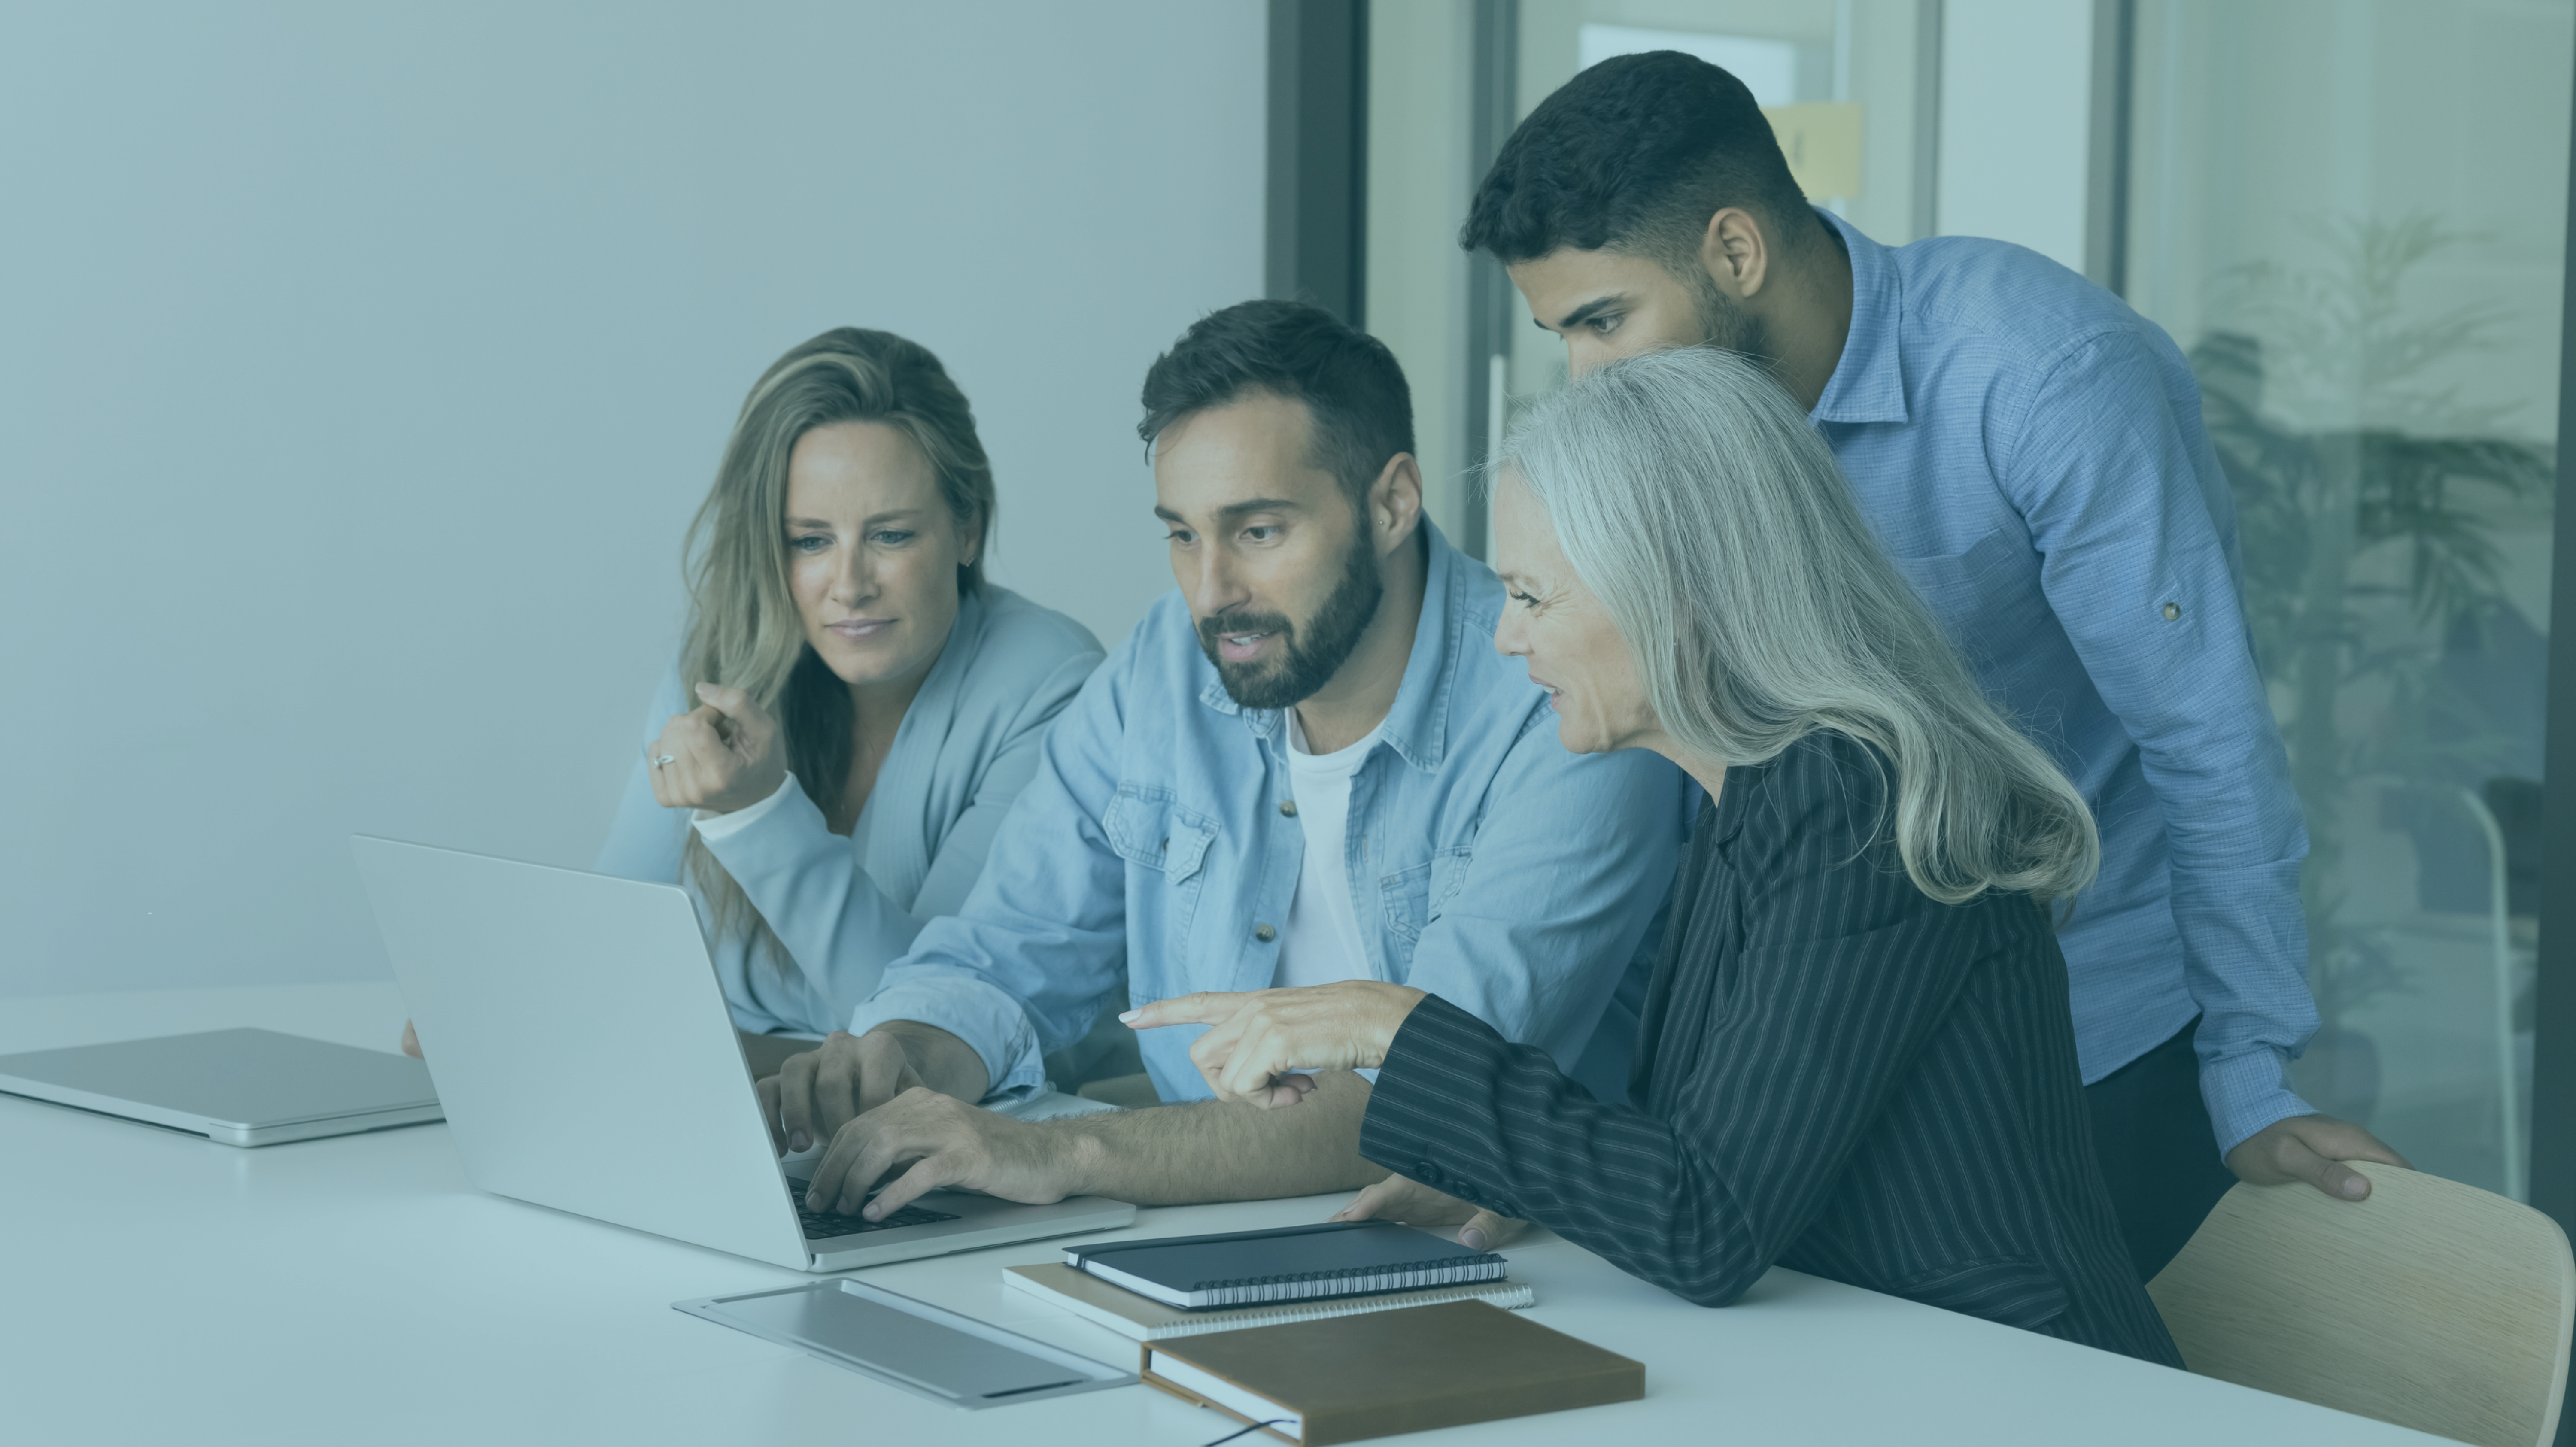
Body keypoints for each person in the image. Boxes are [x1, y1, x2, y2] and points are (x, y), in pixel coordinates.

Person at [1460, 50, 2405, 1278]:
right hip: (1816, 1044)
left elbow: (2204, 737)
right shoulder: (1675, 460)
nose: (1587, 377)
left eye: (1604, 321)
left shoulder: (2040, 375)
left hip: (2089, 1031)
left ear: (1735, 254)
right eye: (1560, 338)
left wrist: (2251, 1075)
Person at [1130, 346, 2183, 1366]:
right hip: (1871, 1364)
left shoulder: (1853, 800)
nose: (1505, 637)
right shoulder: (1753, 795)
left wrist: (1393, 1022)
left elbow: (1706, 1222)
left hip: (2026, 1390)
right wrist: (1519, 1172)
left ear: (1678, 591)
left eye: (1534, 595)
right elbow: (1719, 1147)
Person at [767, 299, 1685, 1221]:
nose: (1211, 594)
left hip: (1522, 1265)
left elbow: (1434, 1092)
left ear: (1392, 502)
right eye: (1182, 534)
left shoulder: (1563, 699)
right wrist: (899, 1058)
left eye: (1259, 531)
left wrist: (1057, 1149)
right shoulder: (1169, 662)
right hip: (1208, 1230)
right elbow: (1009, 951)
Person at [580, 327, 1103, 1077]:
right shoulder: (721, 658)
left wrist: (759, 816)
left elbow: (930, 1018)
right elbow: (611, 938)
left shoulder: (1052, 683)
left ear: (967, 528)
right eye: (810, 542)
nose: (850, 583)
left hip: (959, 1136)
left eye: (889, 535)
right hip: (713, 1100)